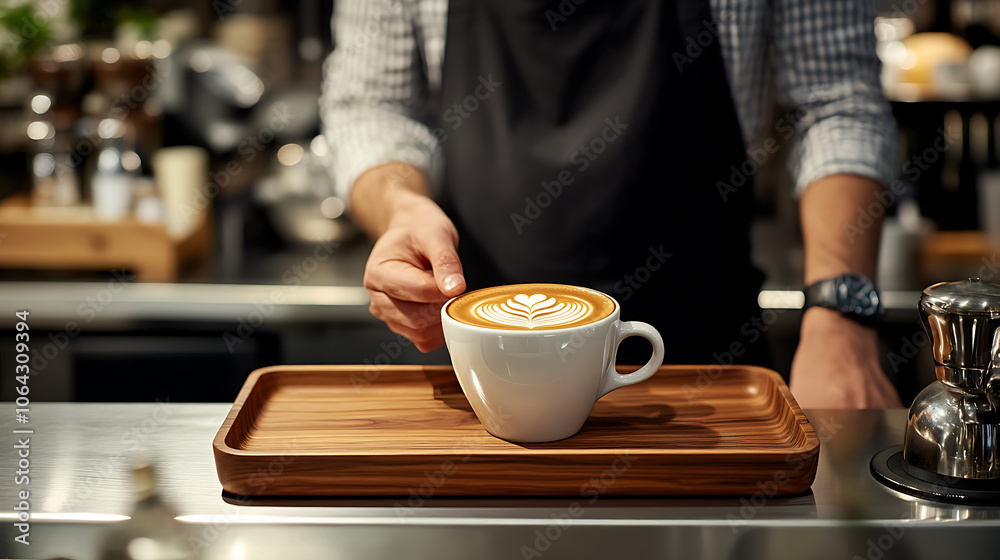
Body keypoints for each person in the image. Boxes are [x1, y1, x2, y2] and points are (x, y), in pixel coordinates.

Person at [321, 0, 903, 409]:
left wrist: (841, 315)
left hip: (702, 372)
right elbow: (372, 104)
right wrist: (400, 206)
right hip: (475, 366)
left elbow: (836, 101)